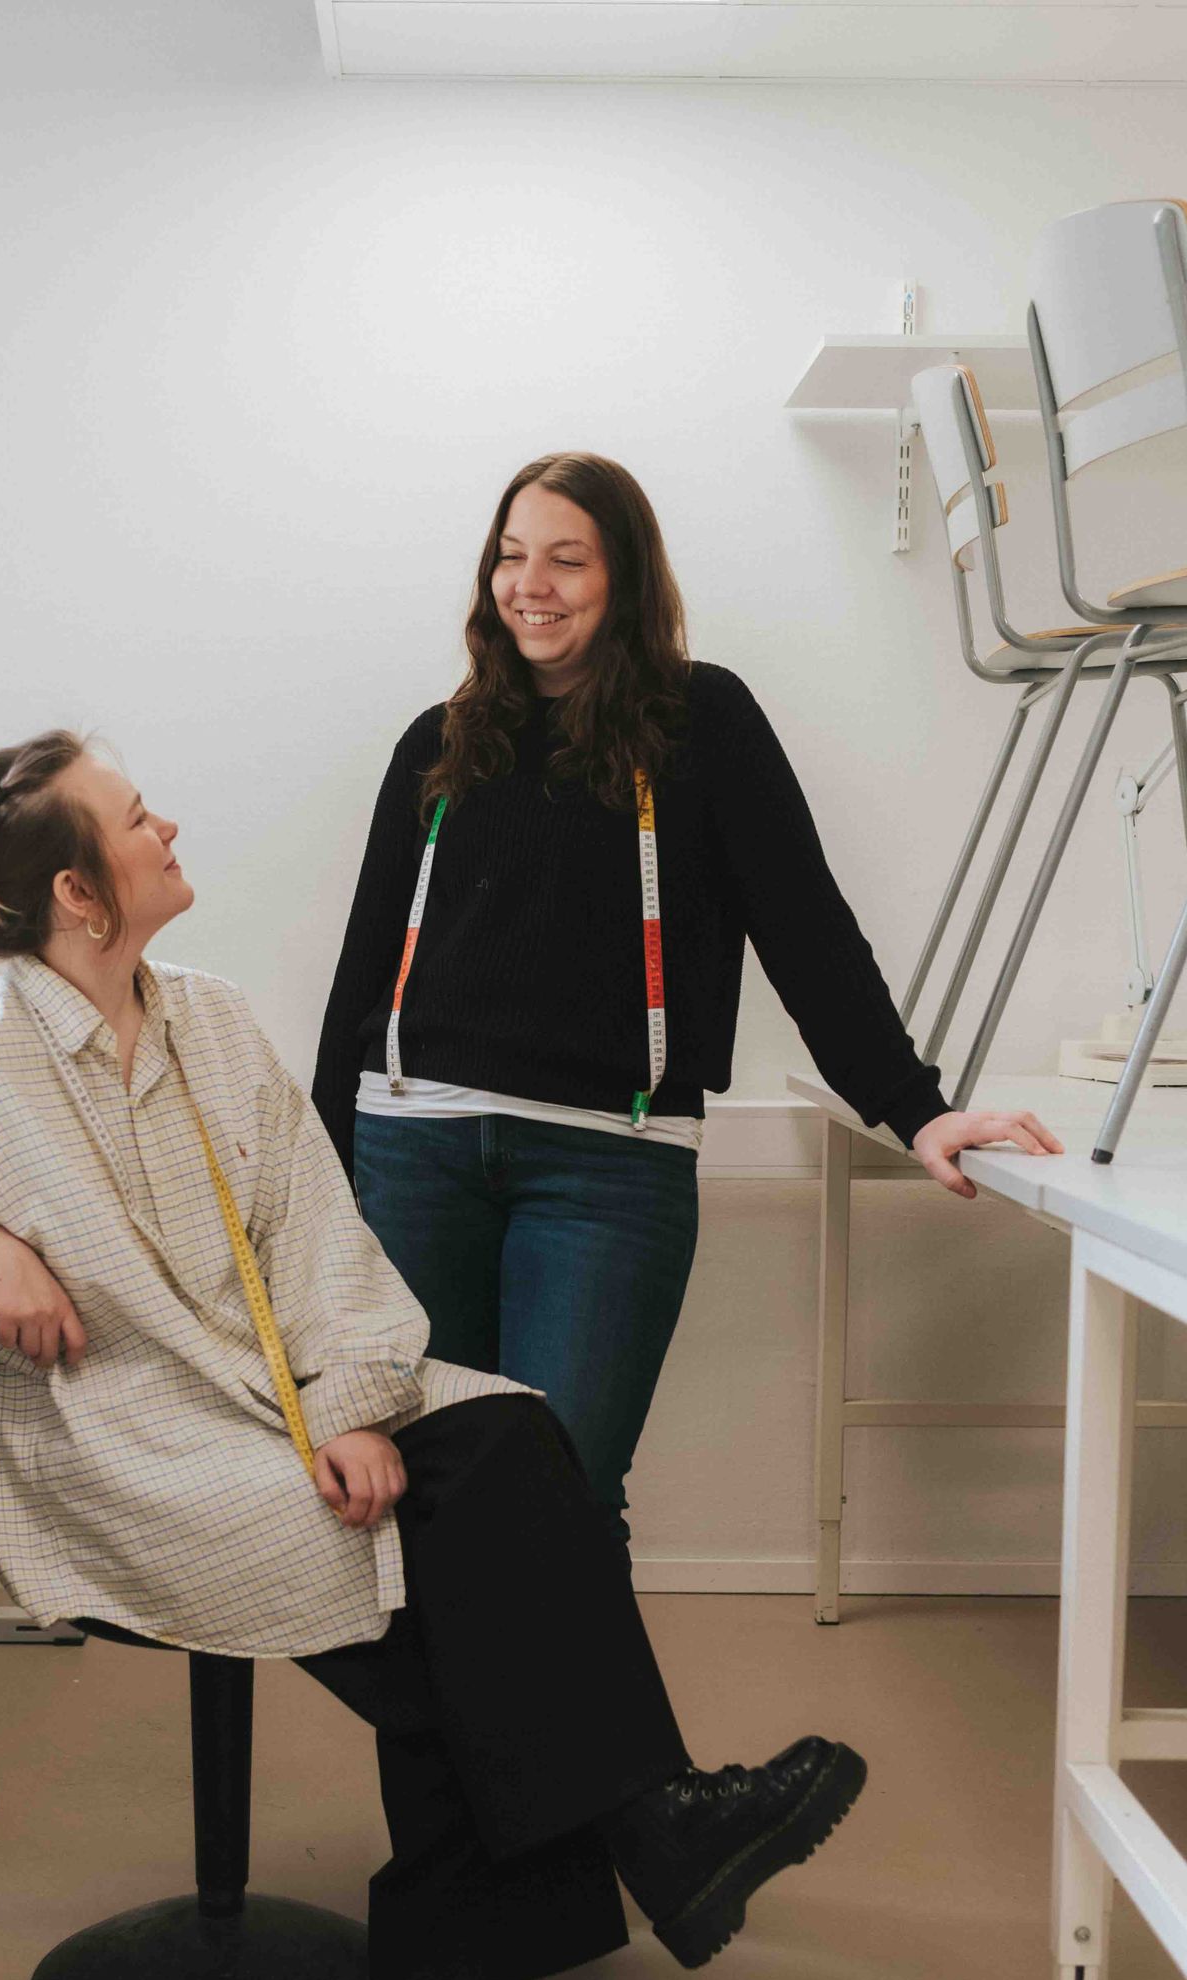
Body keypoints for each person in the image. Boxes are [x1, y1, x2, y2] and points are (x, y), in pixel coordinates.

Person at [0, 729, 868, 1980]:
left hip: (268, 1402)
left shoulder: (212, 1021)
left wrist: (350, 1404)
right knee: (440, 1580)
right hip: (124, 1451)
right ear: (77, 892)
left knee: (510, 1435)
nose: (166, 825)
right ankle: (563, 1882)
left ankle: (602, 1855)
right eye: (134, 817)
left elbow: (315, 1240)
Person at [313, 453, 1061, 1536]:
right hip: (411, 1158)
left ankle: (564, 1715)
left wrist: (917, 1106)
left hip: (607, 1168)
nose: (532, 585)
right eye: (511, 558)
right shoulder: (439, 742)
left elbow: (803, 928)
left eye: (566, 560)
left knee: (562, 1493)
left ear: (624, 578)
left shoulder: (701, 721)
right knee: (425, 1492)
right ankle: (444, 1718)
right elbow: (364, 970)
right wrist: (325, 1191)